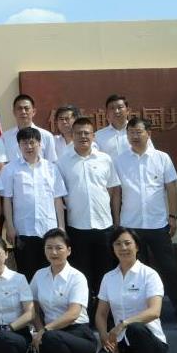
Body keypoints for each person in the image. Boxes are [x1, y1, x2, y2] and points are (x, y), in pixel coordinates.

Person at [113, 117, 177, 332]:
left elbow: (171, 189)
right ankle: (137, 321)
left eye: (138, 131)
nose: (134, 136)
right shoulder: (119, 161)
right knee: (135, 275)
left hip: (158, 225)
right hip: (131, 227)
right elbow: (117, 193)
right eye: (131, 132)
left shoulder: (162, 158)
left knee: (171, 272)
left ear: (149, 133)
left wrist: (173, 216)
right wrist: (118, 224)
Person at [94, 227, 169, 353]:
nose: (123, 248)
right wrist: (104, 336)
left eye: (127, 243)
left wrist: (123, 324)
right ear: (113, 248)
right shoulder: (109, 278)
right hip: (122, 343)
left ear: (137, 246)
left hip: (151, 342)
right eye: (118, 244)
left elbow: (154, 311)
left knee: (135, 328)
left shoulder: (149, 275)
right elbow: (101, 314)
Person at [26, 229, 97, 353]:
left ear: (69, 250)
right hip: (49, 334)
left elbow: (73, 313)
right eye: (49, 248)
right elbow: (32, 306)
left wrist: (45, 330)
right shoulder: (39, 275)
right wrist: (38, 329)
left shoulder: (77, 277)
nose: (54, 252)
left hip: (78, 334)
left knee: (51, 337)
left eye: (59, 248)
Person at [59, 118, 121, 291]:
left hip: (104, 226)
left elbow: (112, 190)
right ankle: (85, 307)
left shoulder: (105, 159)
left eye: (87, 133)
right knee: (81, 275)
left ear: (94, 136)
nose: (83, 136)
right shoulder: (63, 162)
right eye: (78, 133)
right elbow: (59, 195)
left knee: (106, 273)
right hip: (77, 227)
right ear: (72, 135)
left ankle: (105, 308)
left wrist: (116, 220)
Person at [0, 127, 67, 278]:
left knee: (50, 272)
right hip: (24, 230)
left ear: (39, 144)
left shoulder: (51, 168)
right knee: (27, 273)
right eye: (24, 143)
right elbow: (7, 200)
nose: (29, 147)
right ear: (19, 146)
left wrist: (61, 227)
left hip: (49, 230)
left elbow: (57, 199)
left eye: (32, 142)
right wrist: (10, 227)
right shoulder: (10, 169)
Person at [2, 94, 59, 165]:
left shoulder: (46, 136)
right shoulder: (5, 137)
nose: (23, 112)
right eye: (19, 108)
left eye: (26, 108)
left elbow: (51, 163)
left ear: (34, 112)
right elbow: (3, 164)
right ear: (14, 112)